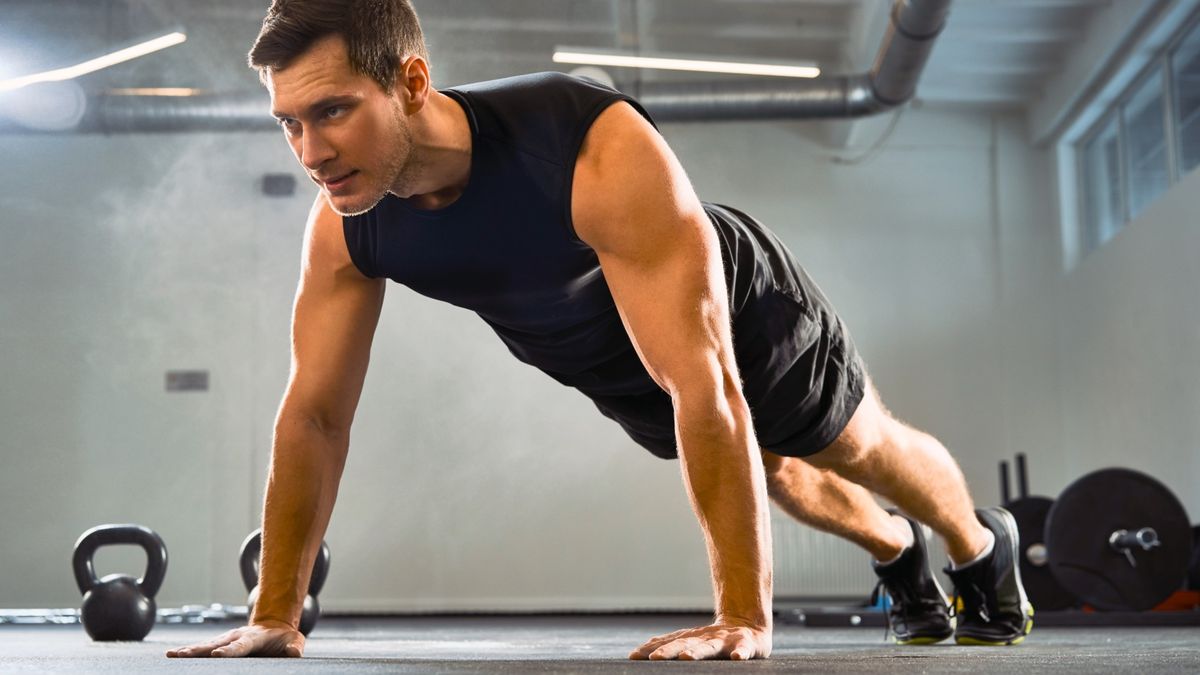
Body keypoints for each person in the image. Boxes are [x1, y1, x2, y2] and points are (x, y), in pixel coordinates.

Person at [167, 0, 1032, 662]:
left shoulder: (583, 142)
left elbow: (706, 382)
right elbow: (316, 416)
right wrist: (274, 613)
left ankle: (979, 545)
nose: (310, 152)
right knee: (774, 473)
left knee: (851, 444)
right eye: (290, 122)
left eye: (333, 111)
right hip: (609, 357)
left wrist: (742, 617)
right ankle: (896, 548)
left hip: (737, 305)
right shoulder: (347, 226)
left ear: (413, 83)